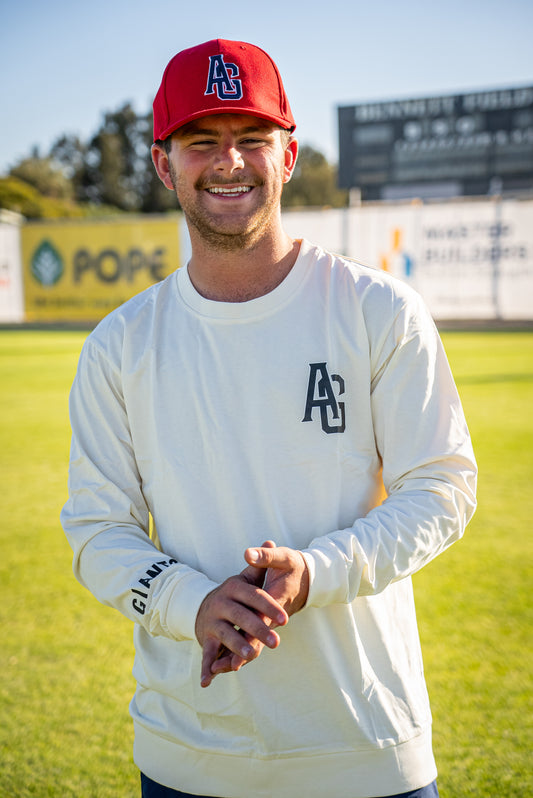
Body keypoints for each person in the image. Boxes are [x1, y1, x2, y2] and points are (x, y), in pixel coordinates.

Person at [61, 39, 477, 798]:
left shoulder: (378, 310)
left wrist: (314, 573)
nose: (229, 162)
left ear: (287, 156)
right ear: (163, 165)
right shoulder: (119, 344)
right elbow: (96, 528)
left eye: (252, 139)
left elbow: (441, 489)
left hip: (365, 747)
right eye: (201, 142)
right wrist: (192, 603)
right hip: (188, 752)